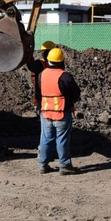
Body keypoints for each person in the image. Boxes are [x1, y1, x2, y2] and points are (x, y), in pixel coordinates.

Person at [37, 47, 81, 175]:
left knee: (46, 138)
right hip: (61, 113)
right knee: (62, 139)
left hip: (45, 112)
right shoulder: (65, 76)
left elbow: (39, 92)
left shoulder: (42, 74)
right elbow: (75, 93)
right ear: (62, 61)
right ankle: (65, 165)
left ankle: (43, 165)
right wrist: (70, 103)